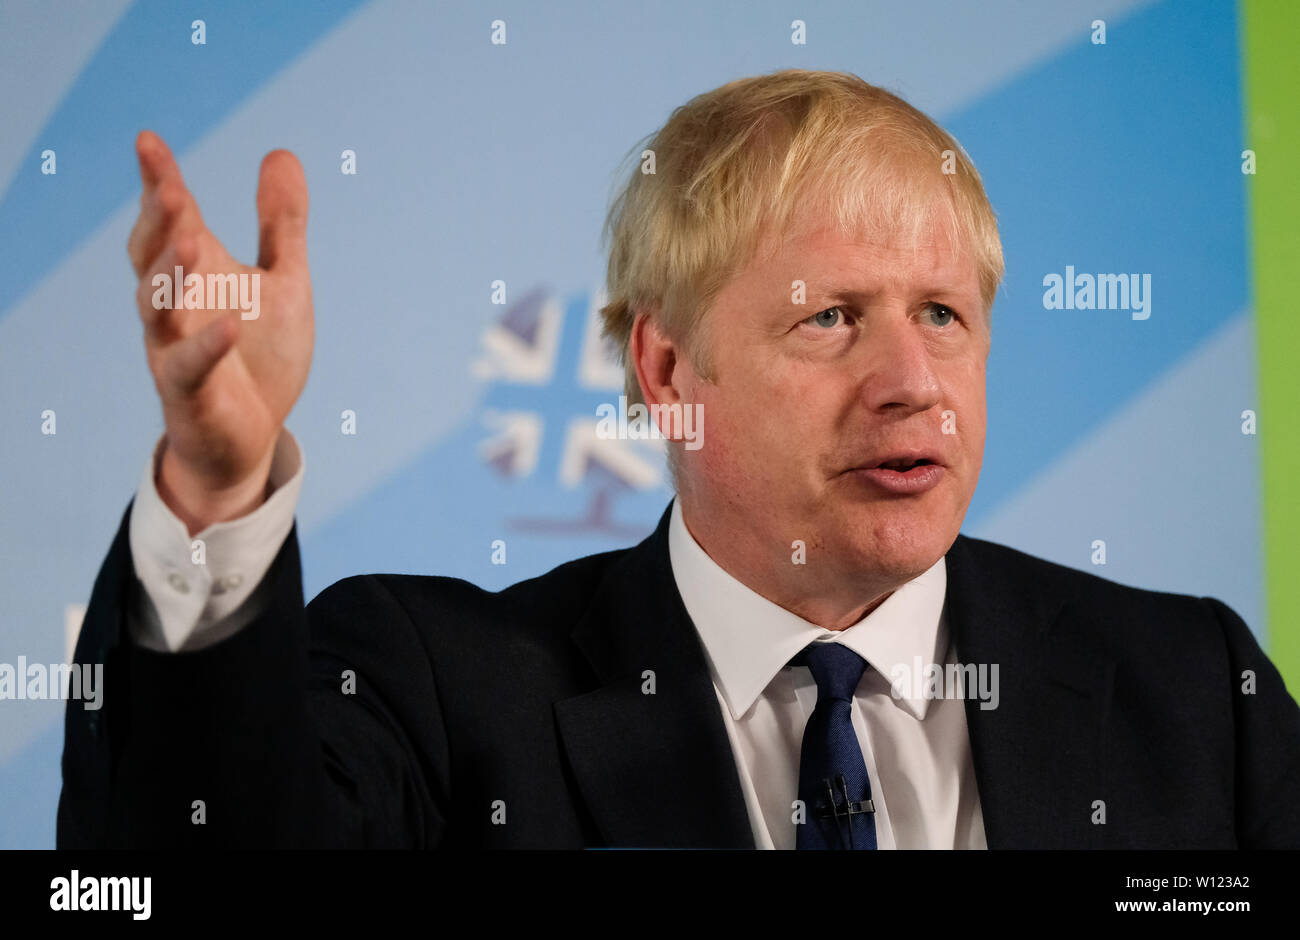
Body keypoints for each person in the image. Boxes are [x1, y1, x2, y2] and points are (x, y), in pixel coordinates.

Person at [58, 70, 1300, 849]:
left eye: (943, 314)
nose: (912, 382)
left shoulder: (1192, 694)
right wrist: (216, 490)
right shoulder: (434, 696)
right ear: (666, 373)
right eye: (830, 318)